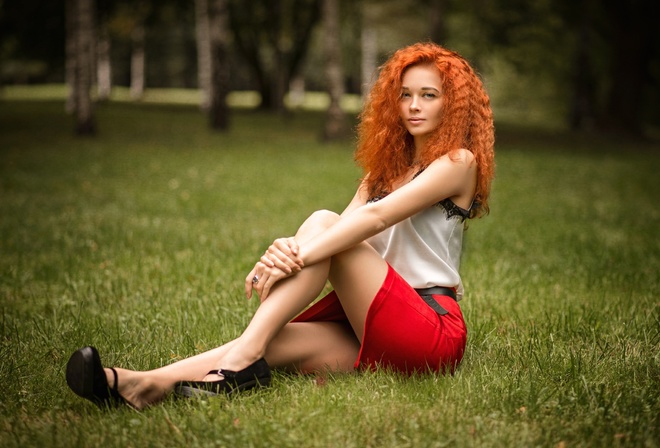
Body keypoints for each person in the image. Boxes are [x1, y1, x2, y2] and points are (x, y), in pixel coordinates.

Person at [65, 42, 495, 410]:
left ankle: (240, 365)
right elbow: (343, 229)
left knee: (322, 224)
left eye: (428, 95)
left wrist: (297, 254)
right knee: (279, 336)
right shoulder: (382, 172)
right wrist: (289, 250)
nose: (414, 106)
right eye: (405, 95)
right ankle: (139, 384)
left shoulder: (458, 163)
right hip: (368, 319)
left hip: (429, 331)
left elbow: (371, 219)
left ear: (451, 103)